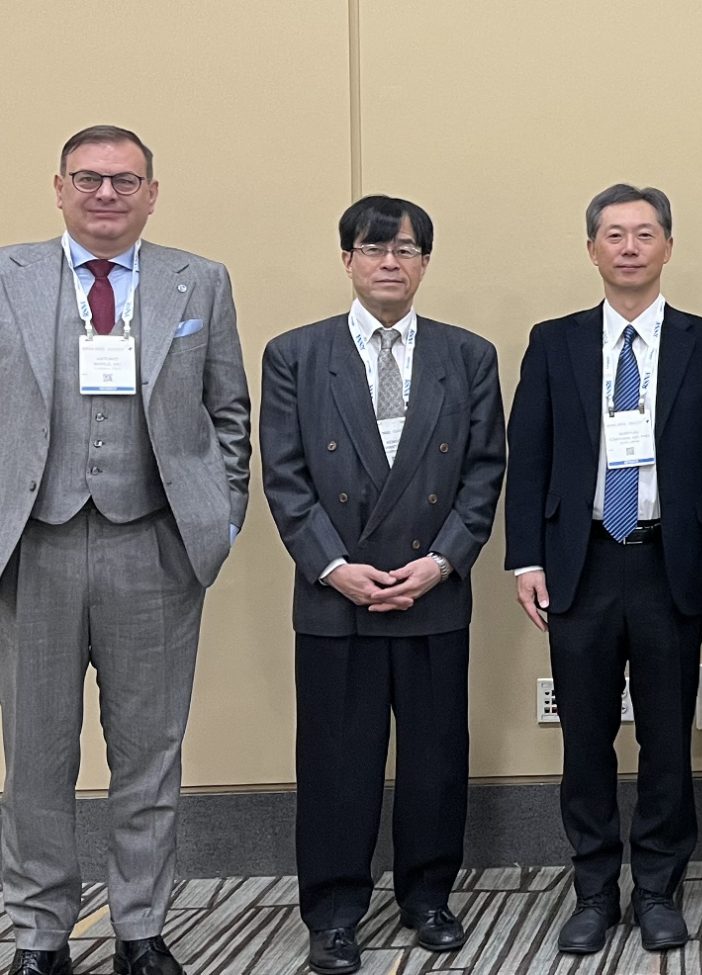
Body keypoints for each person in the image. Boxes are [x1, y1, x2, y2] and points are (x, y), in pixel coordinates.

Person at [0, 125, 251, 975]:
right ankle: (40, 934)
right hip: (34, 548)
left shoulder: (199, 280)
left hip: (154, 547)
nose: (106, 193)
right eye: (88, 178)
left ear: (151, 193)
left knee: (150, 750)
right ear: (58, 187)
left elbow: (229, 410)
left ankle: (141, 925)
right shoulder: (7, 276)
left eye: (124, 180)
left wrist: (219, 519)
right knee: (36, 756)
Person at [258, 196, 506, 974]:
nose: (389, 262)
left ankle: (428, 896)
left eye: (405, 249)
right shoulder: (295, 354)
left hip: (433, 587)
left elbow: (484, 471)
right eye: (373, 248)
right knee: (337, 762)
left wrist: (442, 560)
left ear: (426, 262)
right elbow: (284, 476)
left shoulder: (468, 355)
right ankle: (333, 912)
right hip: (336, 594)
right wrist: (336, 567)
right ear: (347, 260)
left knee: (436, 757)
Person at [503, 184, 702, 955]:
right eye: (615, 234)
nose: (631, 247)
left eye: (645, 233)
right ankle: (593, 890)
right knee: (586, 737)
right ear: (592, 250)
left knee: (668, 738)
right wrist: (525, 557)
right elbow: (528, 453)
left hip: (669, 561)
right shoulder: (555, 342)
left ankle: (658, 889)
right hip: (581, 563)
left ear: (669, 246)